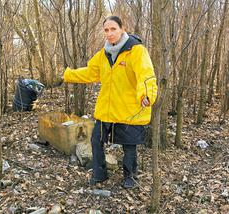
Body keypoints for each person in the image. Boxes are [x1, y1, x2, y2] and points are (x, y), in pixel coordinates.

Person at [63, 16, 158, 189]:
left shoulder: (136, 50)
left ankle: (130, 177)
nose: (110, 33)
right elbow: (90, 73)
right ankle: (99, 174)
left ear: (123, 29)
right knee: (96, 139)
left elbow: (146, 74)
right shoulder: (103, 54)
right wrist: (69, 75)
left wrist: (147, 94)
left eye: (113, 29)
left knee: (129, 146)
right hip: (106, 108)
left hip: (129, 109)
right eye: (106, 30)